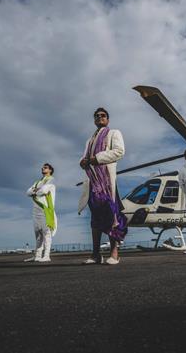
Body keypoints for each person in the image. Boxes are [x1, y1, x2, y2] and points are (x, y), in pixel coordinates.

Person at [78, 107, 127, 265]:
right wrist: (83, 161)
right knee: (95, 218)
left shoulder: (114, 133)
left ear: (107, 119)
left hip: (107, 182)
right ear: (94, 120)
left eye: (103, 115)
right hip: (93, 183)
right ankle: (96, 254)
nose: (100, 117)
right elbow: (84, 157)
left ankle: (114, 253)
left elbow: (119, 152)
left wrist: (97, 158)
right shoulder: (89, 140)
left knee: (111, 214)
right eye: (97, 116)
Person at [25, 163, 57, 263]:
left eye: (46, 167)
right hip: (36, 210)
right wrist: (36, 190)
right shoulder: (37, 182)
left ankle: (46, 255)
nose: (43, 168)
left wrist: (35, 191)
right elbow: (28, 192)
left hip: (45, 209)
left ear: (50, 170)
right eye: (43, 167)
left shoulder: (51, 179)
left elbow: (43, 191)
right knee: (38, 234)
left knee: (46, 233)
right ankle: (37, 256)